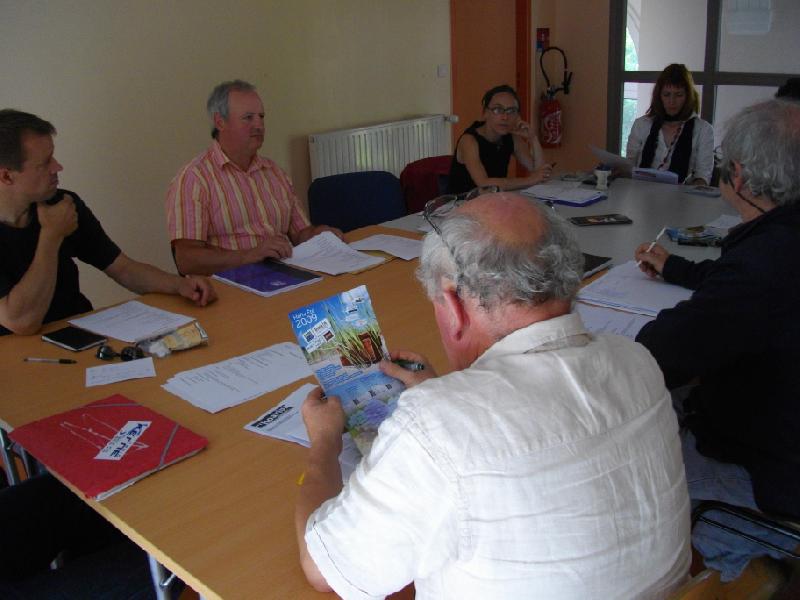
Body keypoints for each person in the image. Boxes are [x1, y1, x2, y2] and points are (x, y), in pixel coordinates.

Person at [295, 192, 691, 599]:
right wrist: (442, 396)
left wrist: (323, 444)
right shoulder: (637, 360)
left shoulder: (437, 427)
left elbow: (323, 568)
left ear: (452, 304)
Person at [635, 99, 800, 582]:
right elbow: (744, 289)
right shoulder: (777, 246)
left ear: (742, 179)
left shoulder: (763, 266)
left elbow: (660, 354)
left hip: (768, 473)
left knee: (629, 456)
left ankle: (719, 569)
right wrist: (681, 268)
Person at [0, 109, 216, 336]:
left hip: (77, 335)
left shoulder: (62, 203)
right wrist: (51, 235)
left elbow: (122, 268)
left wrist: (179, 285)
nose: (57, 167)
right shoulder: (57, 220)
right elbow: (21, 322)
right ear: (6, 176)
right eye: (44, 163)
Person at [166, 80, 342, 276]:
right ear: (220, 122)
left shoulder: (274, 172)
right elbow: (187, 260)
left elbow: (300, 233)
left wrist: (320, 235)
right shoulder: (194, 179)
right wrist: (248, 256)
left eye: (261, 117)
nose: (259, 125)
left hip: (282, 275)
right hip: (231, 287)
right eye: (248, 118)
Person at [447, 84, 553, 194]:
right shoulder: (469, 140)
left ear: (517, 116)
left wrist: (533, 138)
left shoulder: (511, 138)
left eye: (511, 111)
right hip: (460, 205)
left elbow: (539, 171)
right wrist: (530, 180)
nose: (505, 117)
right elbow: (484, 183)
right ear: (485, 113)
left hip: (493, 202)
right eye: (497, 110)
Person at [626, 64, 714, 185]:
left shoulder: (703, 129)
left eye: (679, 95)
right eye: (666, 95)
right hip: (642, 195)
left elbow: (703, 175)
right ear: (659, 96)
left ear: (688, 96)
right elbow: (629, 166)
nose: (672, 101)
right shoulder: (642, 124)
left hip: (683, 199)